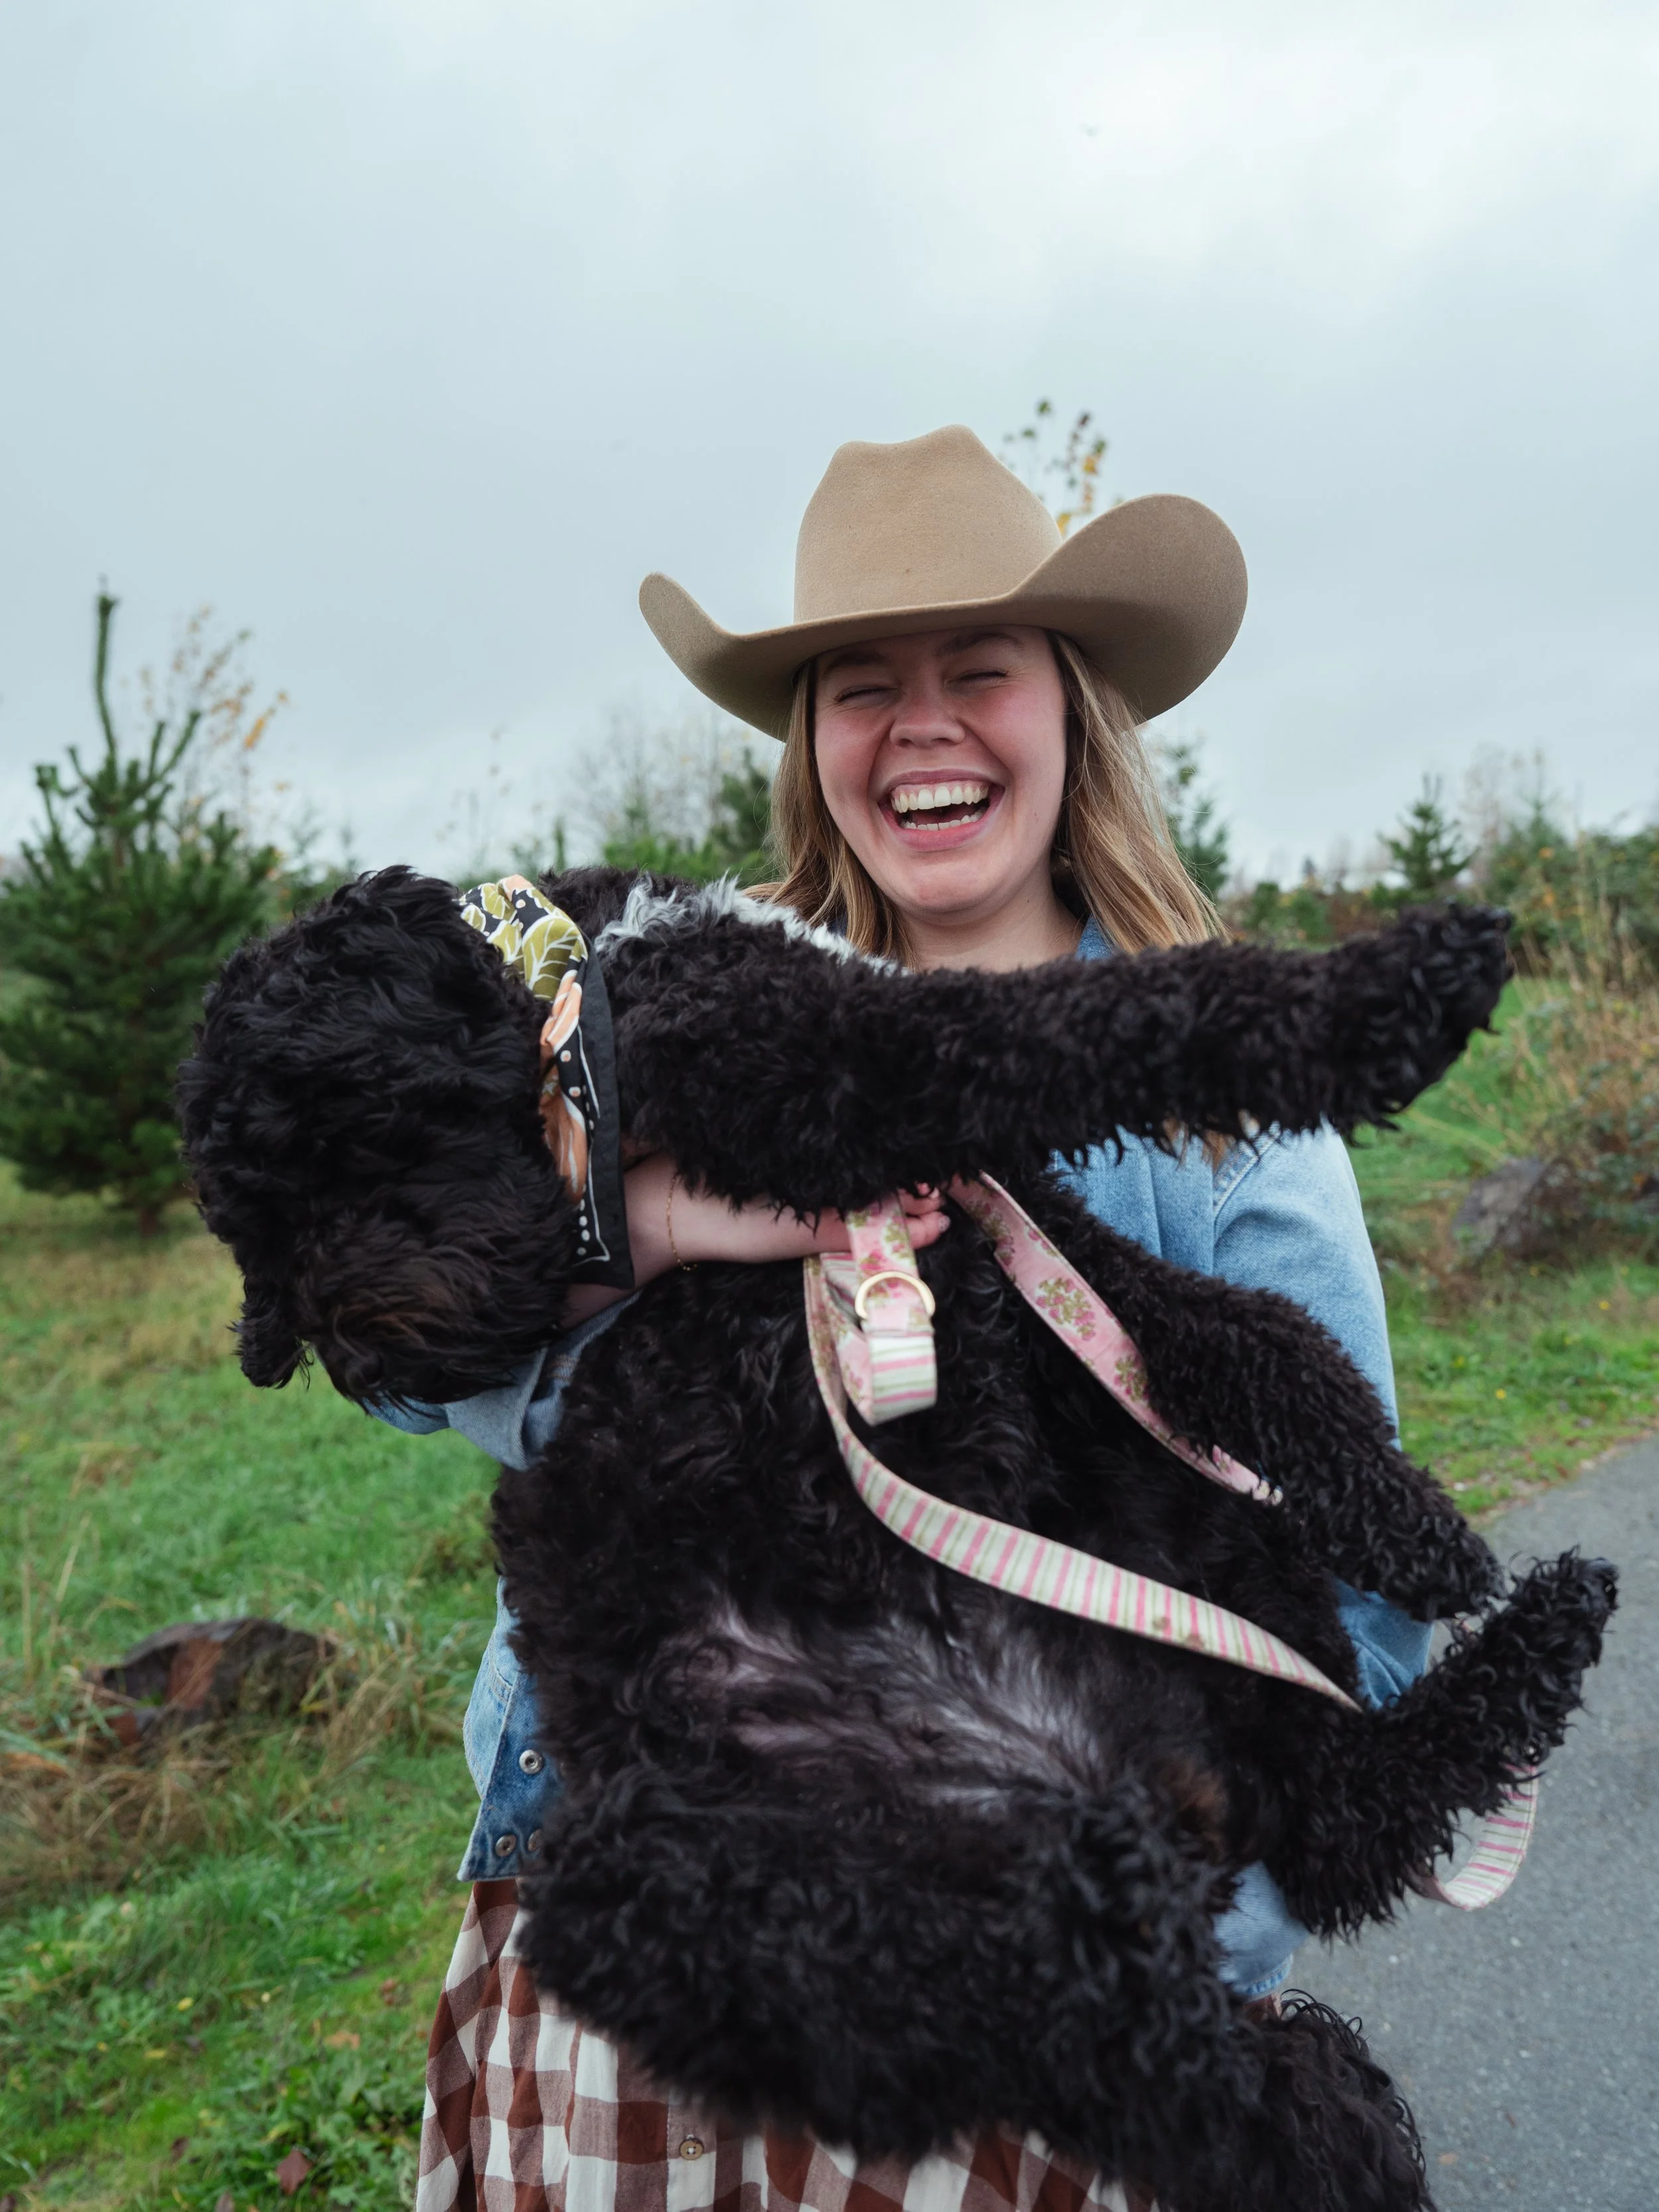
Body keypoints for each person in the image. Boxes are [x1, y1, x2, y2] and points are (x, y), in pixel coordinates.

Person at [396, 426, 1427, 2212]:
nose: (920, 721)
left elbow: (1359, 1608)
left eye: (978, 670)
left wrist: (1158, 1984)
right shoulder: (664, 1028)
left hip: (1008, 2003)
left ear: (1072, 712)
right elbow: (413, 1353)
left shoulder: (1218, 1119)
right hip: (628, 1941)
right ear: (809, 744)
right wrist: (633, 1219)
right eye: (859, 683)